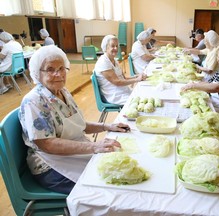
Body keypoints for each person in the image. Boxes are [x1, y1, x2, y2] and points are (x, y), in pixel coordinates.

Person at [19, 45, 130, 194]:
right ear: (37, 73)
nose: (58, 74)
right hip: (50, 165)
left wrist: (107, 126)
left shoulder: (63, 92)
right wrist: (94, 146)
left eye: (61, 68)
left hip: (74, 153)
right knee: (107, 189)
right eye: (50, 69)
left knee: (120, 170)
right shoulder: (34, 101)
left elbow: (78, 124)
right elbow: (47, 145)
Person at [94, 35, 147, 105]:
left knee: (145, 96)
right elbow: (117, 82)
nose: (115, 48)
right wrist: (137, 79)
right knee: (141, 103)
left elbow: (123, 78)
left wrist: (138, 76)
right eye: (112, 46)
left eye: (117, 46)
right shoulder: (103, 62)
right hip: (114, 95)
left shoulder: (114, 61)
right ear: (106, 47)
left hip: (122, 90)